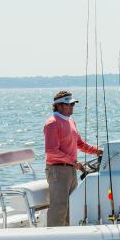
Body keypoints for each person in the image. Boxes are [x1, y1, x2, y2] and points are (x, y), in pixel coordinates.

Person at [43, 90, 102, 227]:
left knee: (71, 207)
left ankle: (68, 237)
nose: (71, 107)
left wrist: (97, 151)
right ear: (58, 106)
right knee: (59, 207)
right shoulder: (52, 123)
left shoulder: (70, 121)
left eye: (73, 104)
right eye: (68, 104)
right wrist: (73, 161)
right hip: (57, 170)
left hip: (70, 170)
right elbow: (51, 151)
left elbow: (79, 144)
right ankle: (53, 238)